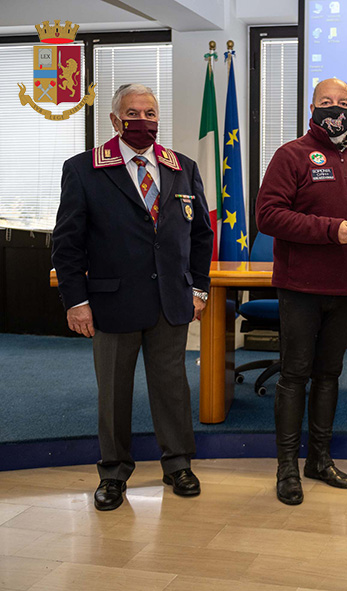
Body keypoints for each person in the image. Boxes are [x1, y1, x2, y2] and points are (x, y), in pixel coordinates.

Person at [51, 83, 213, 511]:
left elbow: (201, 235)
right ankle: (113, 472)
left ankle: (178, 464)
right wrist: (75, 301)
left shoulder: (182, 167)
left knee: (172, 387)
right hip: (112, 302)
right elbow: (67, 244)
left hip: (171, 300)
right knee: (114, 392)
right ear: (114, 119)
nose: (143, 120)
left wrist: (198, 289)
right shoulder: (84, 169)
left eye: (150, 113)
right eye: (132, 113)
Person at [256, 78, 347, 506]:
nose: (335, 108)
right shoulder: (291, 155)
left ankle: (319, 460)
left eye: (343, 102)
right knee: (294, 375)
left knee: (329, 375)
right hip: (300, 286)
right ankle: (286, 468)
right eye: (326, 101)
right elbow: (268, 216)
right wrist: (329, 230)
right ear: (312, 108)